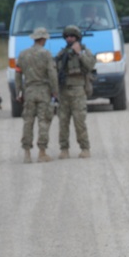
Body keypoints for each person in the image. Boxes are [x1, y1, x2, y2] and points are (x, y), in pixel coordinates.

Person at [16, 27, 59, 163]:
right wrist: (55, 90)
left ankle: (27, 154)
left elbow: (18, 74)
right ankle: (42, 152)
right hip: (43, 92)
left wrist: (19, 92)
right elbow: (52, 74)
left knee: (28, 122)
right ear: (42, 39)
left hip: (29, 92)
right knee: (43, 121)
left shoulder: (23, 54)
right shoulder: (46, 54)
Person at [54, 25, 95, 159]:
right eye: (67, 36)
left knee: (79, 121)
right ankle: (64, 149)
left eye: (72, 36)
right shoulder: (62, 54)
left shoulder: (84, 51)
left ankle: (85, 148)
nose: (69, 38)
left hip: (78, 90)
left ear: (77, 37)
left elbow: (90, 65)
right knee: (63, 122)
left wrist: (79, 53)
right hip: (64, 91)